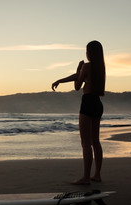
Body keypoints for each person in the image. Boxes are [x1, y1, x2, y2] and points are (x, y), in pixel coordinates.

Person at [51, 40, 106, 185]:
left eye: (87, 51)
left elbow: (77, 85)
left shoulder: (87, 66)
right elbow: (79, 77)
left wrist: (78, 69)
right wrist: (61, 80)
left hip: (87, 102)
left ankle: (86, 177)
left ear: (89, 53)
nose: (86, 53)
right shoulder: (101, 68)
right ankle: (97, 175)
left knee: (85, 143)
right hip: (98, 104)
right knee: (95, 141)